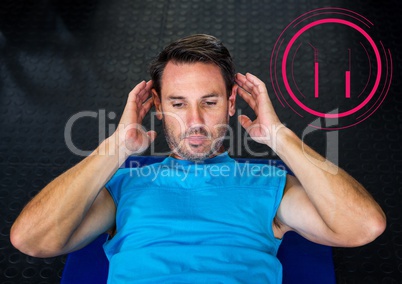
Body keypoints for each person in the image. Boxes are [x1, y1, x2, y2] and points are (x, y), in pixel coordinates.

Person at [11, 34, 386, 283]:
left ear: (231, 103)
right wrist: (117, 147)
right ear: (156, 106)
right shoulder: (123, 186)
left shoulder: (268, 183)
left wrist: (279, 136)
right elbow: (32, 241)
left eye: (209, 102)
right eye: (178, 103)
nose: (194, 122)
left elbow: (363, 227)